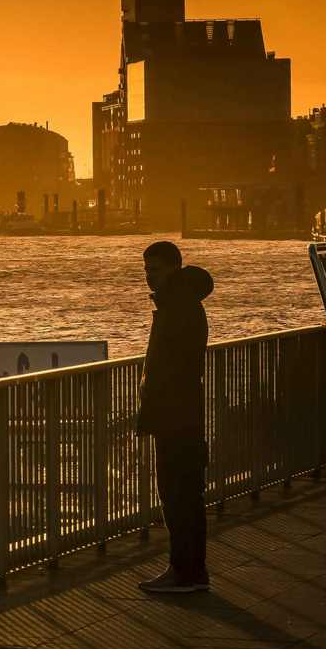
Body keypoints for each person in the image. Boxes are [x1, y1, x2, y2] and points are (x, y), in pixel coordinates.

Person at [136, 241, 214, 594]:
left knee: (175, 495)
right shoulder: (185, 304)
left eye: (155, 269)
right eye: (147, 269)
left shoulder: (177, 307)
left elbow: (172, 365)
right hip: (185, 413)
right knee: (189, 496)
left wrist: (153, 402)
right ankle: (193, 571)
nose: (149, 277)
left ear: (172, 268)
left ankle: (182, 571)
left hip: (174, 415)